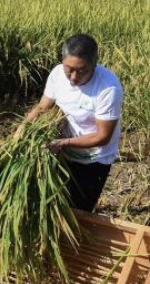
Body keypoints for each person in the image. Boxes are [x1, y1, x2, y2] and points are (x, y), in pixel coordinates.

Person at [24, 34, 124, 212]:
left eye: (82, 71)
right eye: (69, 69)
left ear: (94, 65)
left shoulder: (108, 88)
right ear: (63, 60)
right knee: (53, 204)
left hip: (94, 158)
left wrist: (63, 143)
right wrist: (21, 130)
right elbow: (42, 107)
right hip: (64, 152)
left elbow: (103, 136)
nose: (73, 77)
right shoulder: (57, 74)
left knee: (77, 211)